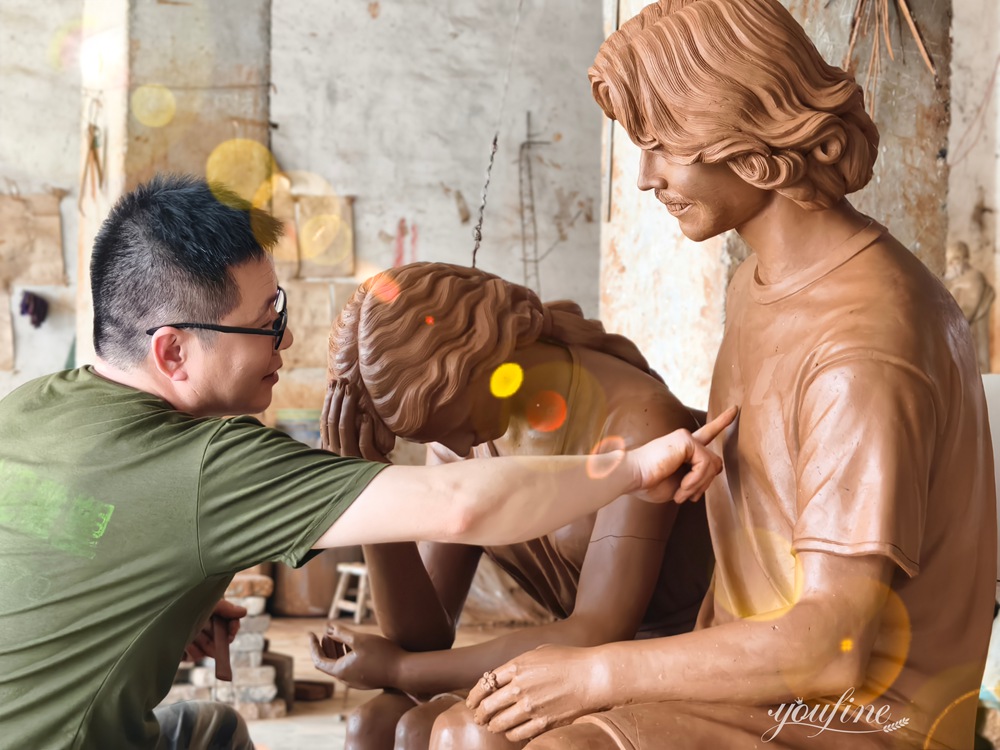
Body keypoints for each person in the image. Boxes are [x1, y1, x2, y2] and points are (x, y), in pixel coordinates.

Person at [430, 1, 997, 749]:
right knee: (458, 727)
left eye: (661, 145)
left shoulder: (865, 342)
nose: (645, 178)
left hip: (853, 715)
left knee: (507, 738)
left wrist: (598, 672)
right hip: (760, 678)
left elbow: (832, 645)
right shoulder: (756, 284)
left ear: (748, 145)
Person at [0, 174, 733, 750]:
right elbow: (460, 508)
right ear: (172, 350)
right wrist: (636, 469)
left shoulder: (26, 409)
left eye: (280, 312)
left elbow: (57, 523)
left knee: (226, 727)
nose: (285, 342)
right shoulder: (210, 464)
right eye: (265, 324)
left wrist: (163, 601)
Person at [308, 262, 715, 750]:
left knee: (453, 732)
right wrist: (367, 482)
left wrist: (400, 669)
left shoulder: (637, 423)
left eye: (446, 423)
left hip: (661, 661)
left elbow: (597, 632)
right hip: (565, 654)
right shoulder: (464, 432)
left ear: (474, 357)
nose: (452, 446)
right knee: (374, 723)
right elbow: (426, 634)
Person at [944, 239, 995, 372]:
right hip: (962, 335)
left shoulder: (974, 278)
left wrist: (947, 323)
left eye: (954, 261)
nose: (951, 266)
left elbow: (968, 309)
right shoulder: (957, 281)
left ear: (964, 259)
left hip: (971, 333)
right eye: (949, 262)